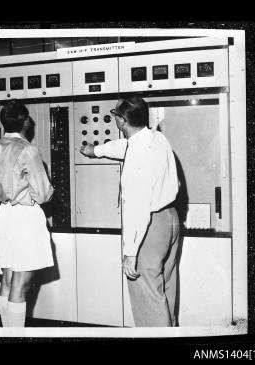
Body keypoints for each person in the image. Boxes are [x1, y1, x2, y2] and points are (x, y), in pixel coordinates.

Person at [80, 97, 180, 327]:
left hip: (149, 226)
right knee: (165, 288)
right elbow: (123, 146)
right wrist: (95, 150)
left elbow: (137, 207)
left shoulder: (137, 157)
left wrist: (130, 252)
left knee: (147, 298)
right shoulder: (157, 138)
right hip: (170, 219)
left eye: (115, 114)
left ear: (121, 121)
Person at [0, 100, 54, 327]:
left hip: (3, 216)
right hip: (25, 217)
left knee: (8, 279)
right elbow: (43, 195)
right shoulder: (28, 150)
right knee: (21, 284)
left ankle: (7, 333)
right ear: (25, 121)